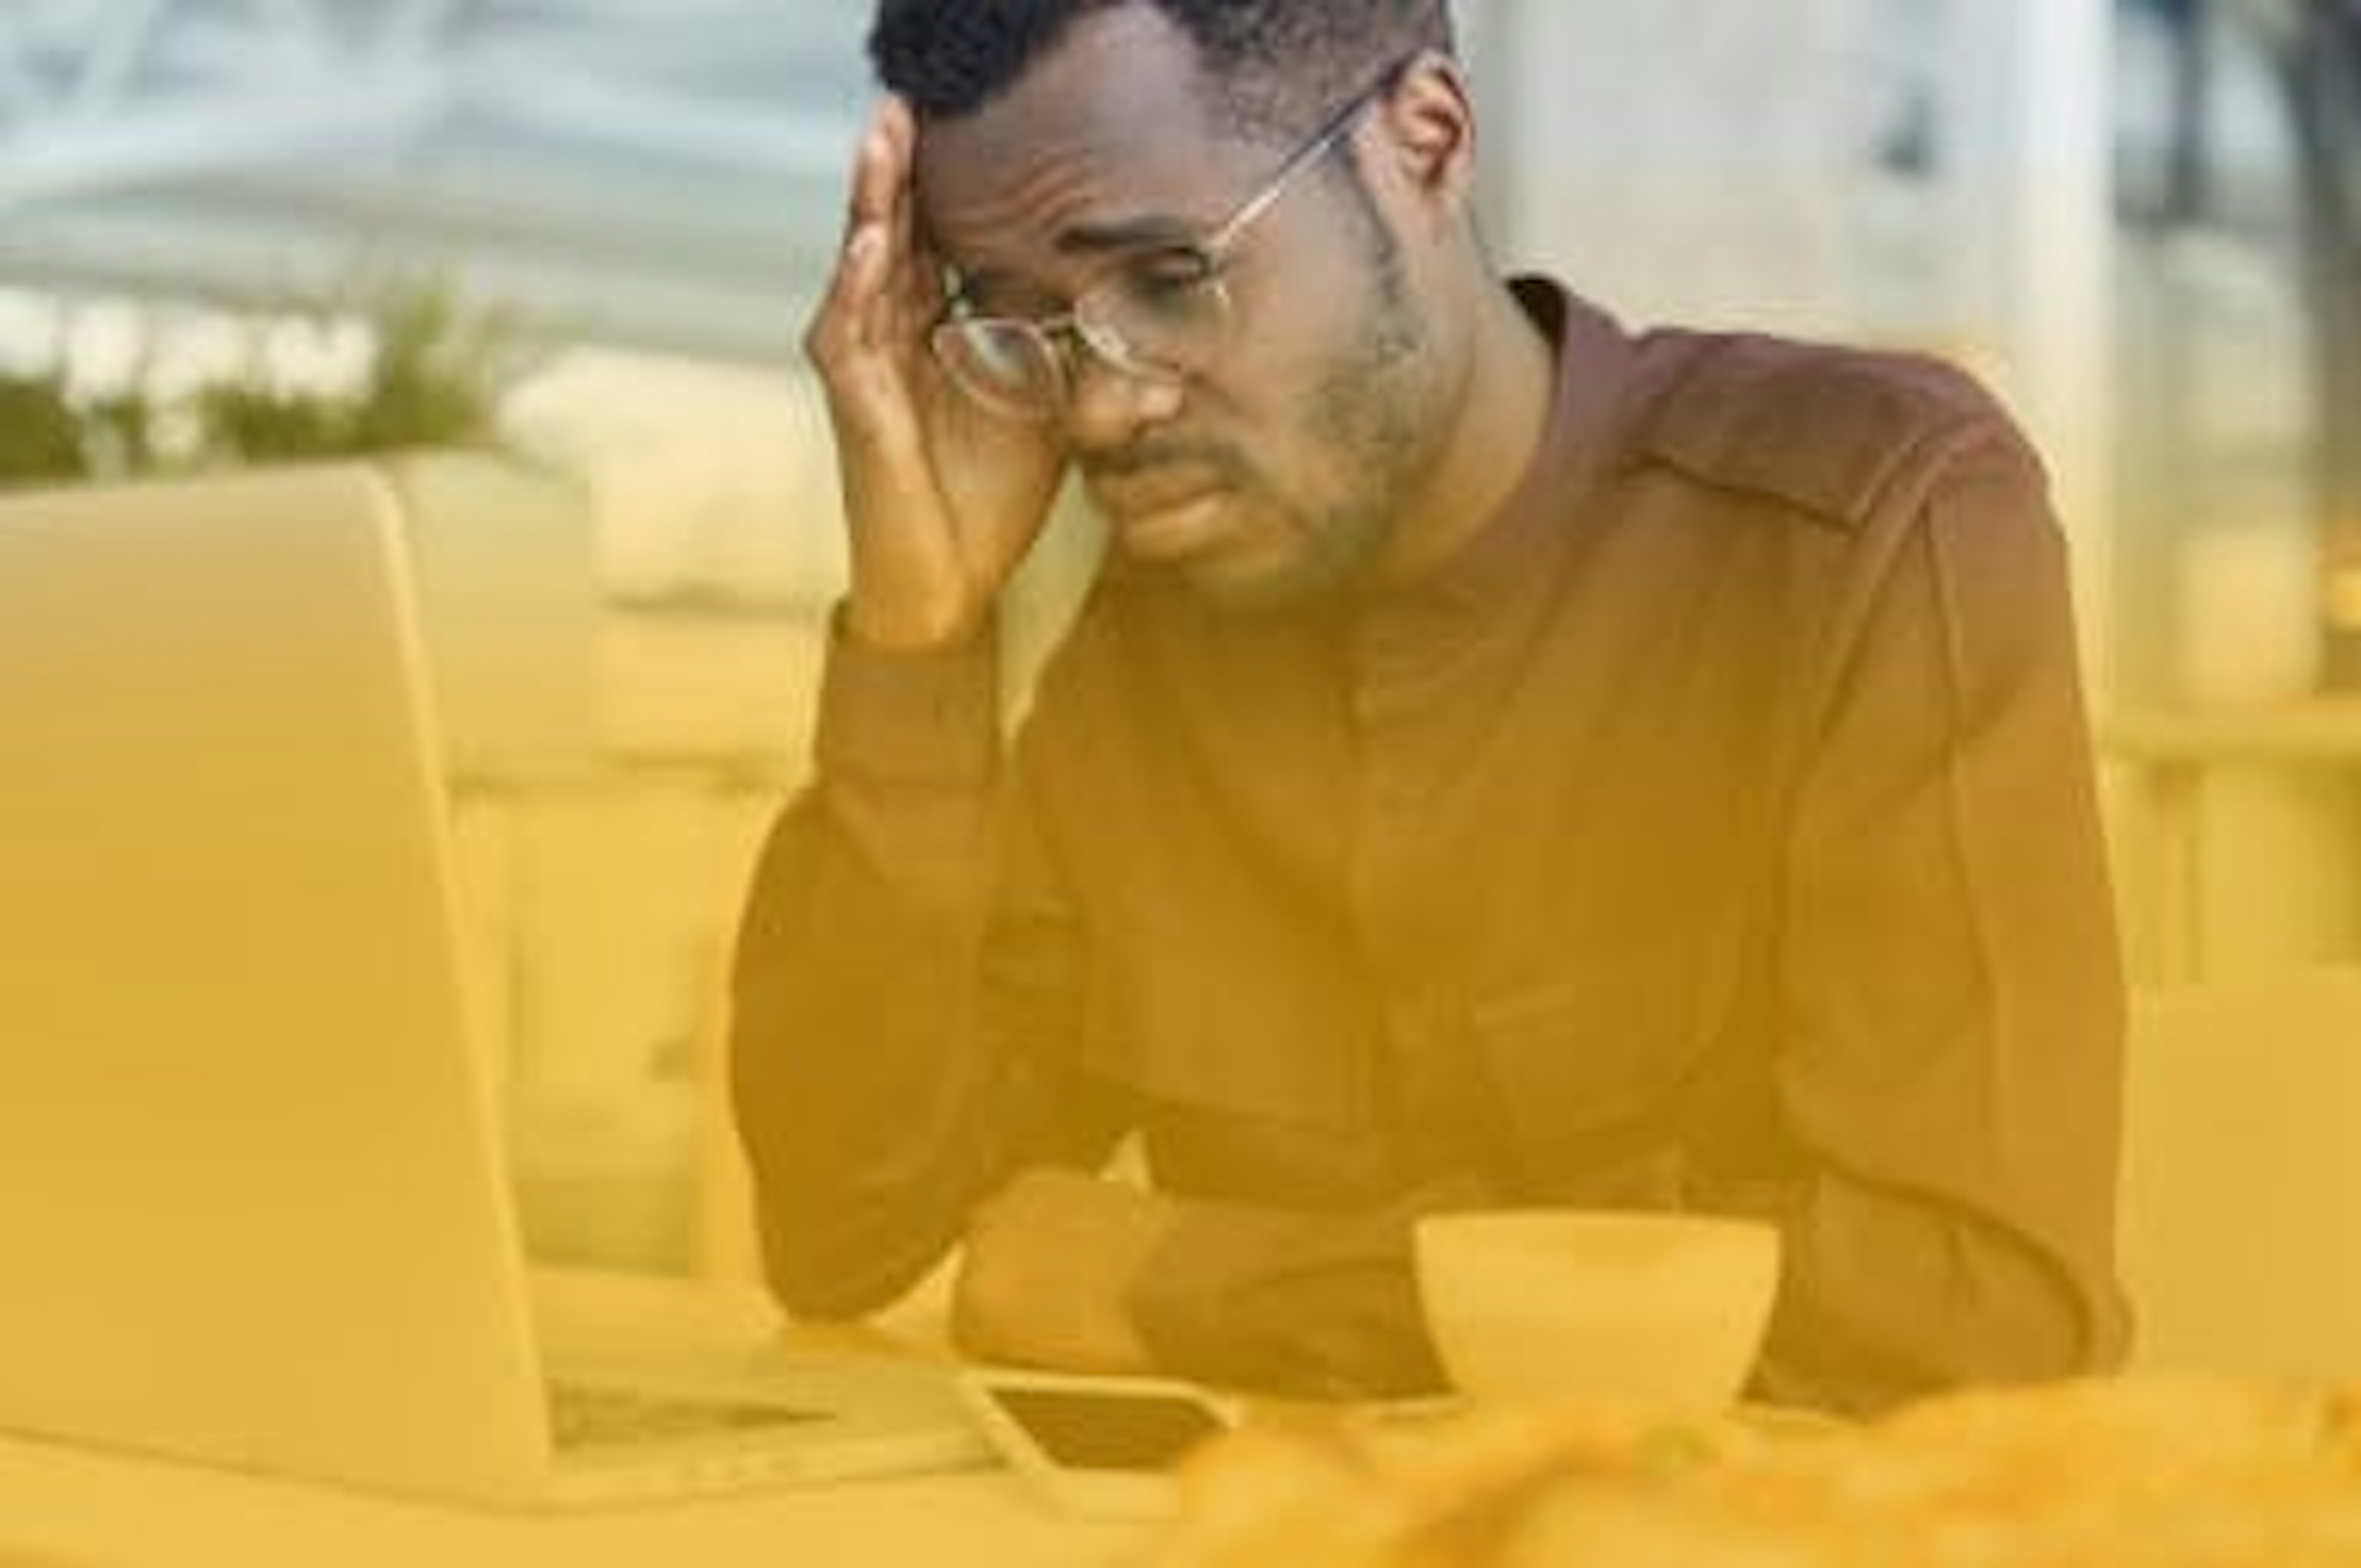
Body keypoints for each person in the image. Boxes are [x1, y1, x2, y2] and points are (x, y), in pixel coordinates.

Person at [730, 0, 2130, 1412]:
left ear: (1427, 141)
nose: (1098, 413)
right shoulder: (1154, 641)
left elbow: (1973, 1306)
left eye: (1164, 279)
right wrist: (919, 639)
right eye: (1027, 330)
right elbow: (850, 1234)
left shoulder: (1871, 519)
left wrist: (1194, 1286)